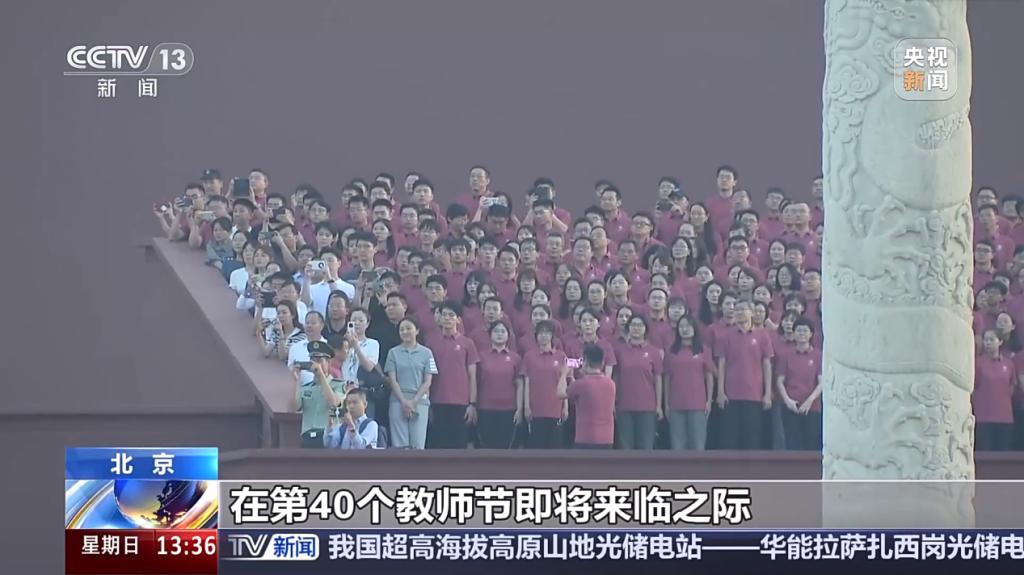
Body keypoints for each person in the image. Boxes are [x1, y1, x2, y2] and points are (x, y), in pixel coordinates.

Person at [715, 301, 774, 450]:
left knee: (752, 438)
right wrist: (720, 392)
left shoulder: (762, 335)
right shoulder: (726, 336)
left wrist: (767, 393)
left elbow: (766, 364)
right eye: (737, 310)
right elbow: (722, 364)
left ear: (752, 313)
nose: (739, 312)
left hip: (754, 395)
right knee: (729, 439)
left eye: (743, 309)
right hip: (731, 395)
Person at [424, 301, 480, 448]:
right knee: (439, 445)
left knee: (459, 445)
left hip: (461, 402)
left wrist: (472, 404)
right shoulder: (431, 342)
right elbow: (426, 374)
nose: (447, 318)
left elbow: (472, 375)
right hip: (437, 400)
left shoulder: (467, 343)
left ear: (458, 319)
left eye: (451, 315)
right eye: (444, 315)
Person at [613, 314, 664, 450]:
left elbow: (658, 379)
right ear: (628, 328)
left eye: (640, 325)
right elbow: (615, 377)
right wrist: (613, 402)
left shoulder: (653, 352)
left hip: (647, 407)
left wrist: (658, 405)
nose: (636, 328)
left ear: (645, 329)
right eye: (633, 325)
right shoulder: (620, 351)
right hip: (624, 405)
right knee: (625, 447)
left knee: (646, 447)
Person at [664, 316, 715, 450]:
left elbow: (709, 377)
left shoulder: (703, 350)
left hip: (697, 404)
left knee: (697, 444)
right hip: (676, 403)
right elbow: (667, 378)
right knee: (677, 445)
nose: (685, 329)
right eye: (681, 326)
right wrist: (666, 403)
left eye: (688, 326)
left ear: (694, 329)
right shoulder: (671, 351)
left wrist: (709, 401)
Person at [774, 319, 823, 451]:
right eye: (799, 330)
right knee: (792, 444)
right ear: (794, 333)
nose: (802, 333)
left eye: (805, 331)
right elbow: (780, 382)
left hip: (812, 407)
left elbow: (821, 383)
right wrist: (787, 401)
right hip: (791, 407)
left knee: (812, 443)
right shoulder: (786, 355)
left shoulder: (818, 355)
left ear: (811, 334)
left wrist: (810, 401)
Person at [521, 320, 571, 449]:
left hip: (555, 407)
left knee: (555, 446)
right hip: (536, 408)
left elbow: (564, 382)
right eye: (541, 333)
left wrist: (565, 407)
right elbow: (527, 382)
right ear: (536, 336)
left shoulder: (561, 356)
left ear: (552, 336)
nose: (544, 336)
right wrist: (526, 406)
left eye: (547, 333)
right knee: (536, 446)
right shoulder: (529, 356)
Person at [475, 321, 523, 449]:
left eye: (503, 331)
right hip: (485, 408)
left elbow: (520, 384)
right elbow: (475, 382)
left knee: (506, 447)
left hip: (509, 409)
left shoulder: (515, 358)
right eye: (496, 331)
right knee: (486, 447)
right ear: (490, 334)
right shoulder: (481, 356)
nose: (499, 334)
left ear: (508, 335)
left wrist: (519, 409)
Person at [560, 344, 616, 449]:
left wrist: (563, 374)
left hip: (586, 438)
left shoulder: (582, 384)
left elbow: (560, 393)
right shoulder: (611, 384)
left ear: (585, 362)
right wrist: (572, 378)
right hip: (607, 438)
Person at [974, 329, 1021, 451]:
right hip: (983, 417)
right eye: (986, 340)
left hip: (1004, 417)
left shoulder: (1009, 364)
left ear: (1000, 342)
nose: (988, 343)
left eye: (991, 339)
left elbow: (1012, 387)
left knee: (1003, 454)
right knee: (985, 454)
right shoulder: (977, 363)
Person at [294, 340, 347, 448]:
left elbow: (334, 403)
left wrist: (321, 375)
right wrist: (296, 381)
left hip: (327, 436)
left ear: (328, 362)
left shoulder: (338, 385)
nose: (315, 364)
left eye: (319, 360)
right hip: (307, 436)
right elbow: (295, 407)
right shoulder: (306, 387)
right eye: (313, 360)